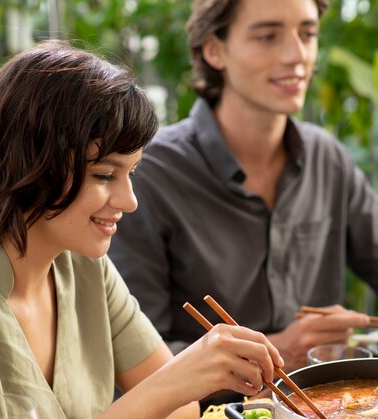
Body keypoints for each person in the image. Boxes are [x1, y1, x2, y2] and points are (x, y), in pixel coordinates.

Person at [0, 40, 283, 419]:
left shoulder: (83, 265)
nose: (129, 201)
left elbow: (179, 413)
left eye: (130, 173)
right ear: (27, 162)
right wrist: (160, 393)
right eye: (105, 175)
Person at [110, 0, 378, 378]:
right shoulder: (150, 173)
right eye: (268, 36)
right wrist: (277, 349)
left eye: (308, 34)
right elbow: (132, 360)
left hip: (326, 417)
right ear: (214, 49)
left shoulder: (326, 159)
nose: (297, 55)